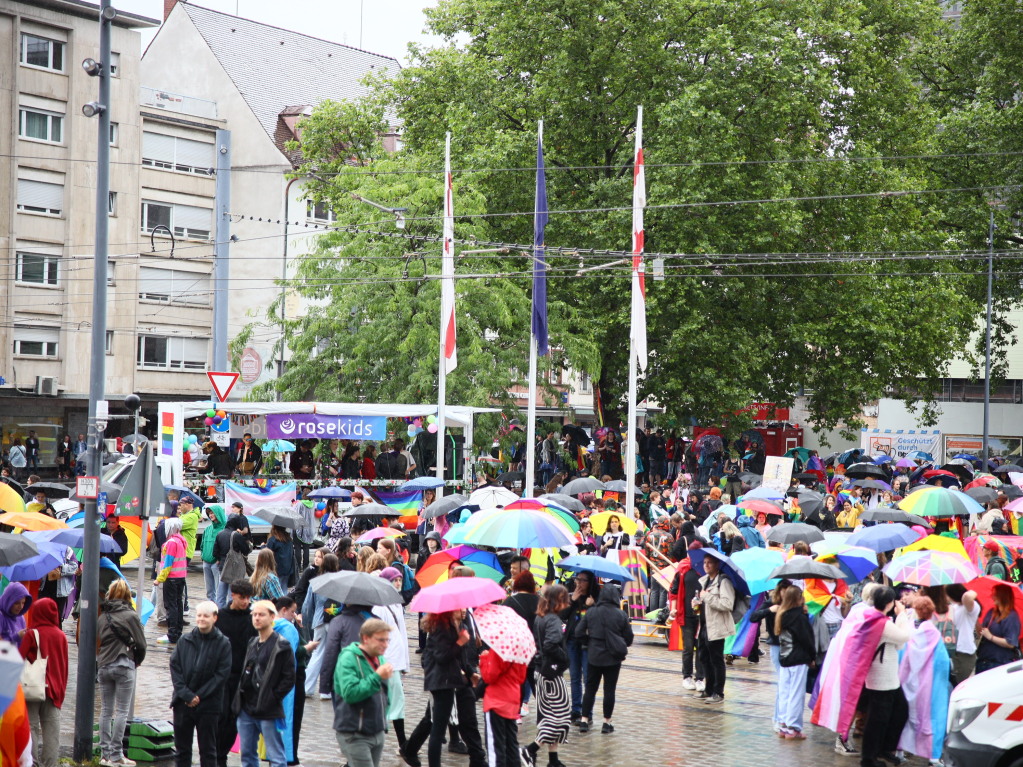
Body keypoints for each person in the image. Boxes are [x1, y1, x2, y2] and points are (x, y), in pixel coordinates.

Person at [170, 601, 232, 767]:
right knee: (182, 750)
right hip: (183, 703)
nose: (202, 619)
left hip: (209, 705)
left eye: (206, 616)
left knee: (208, 750)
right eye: (199, 615)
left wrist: (199, 696)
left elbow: (221, 675)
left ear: (215, 618)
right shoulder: (185, 640)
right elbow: (175, 667)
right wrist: (186, 694)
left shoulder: (223, 643)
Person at [421, 608, 486, 767]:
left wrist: (471, 673)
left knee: (445, 724)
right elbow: (441, 656)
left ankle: (477, 758)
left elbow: (460, 657)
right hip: (441, 682)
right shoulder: (441, 628)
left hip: (452, 680)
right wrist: (459, 642)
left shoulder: (455, 625)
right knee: (438, 728)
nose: (463, 610)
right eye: (459, 608)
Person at [234, 600, 296, 767]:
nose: (257, 618)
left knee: (276, 755)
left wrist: (273, 697)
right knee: (247, 754)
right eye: (254, 615)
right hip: (247, 707)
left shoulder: (281, 645)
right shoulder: (253, 642)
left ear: (272, 617)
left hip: (268, 708)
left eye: (261, 615)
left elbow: (289, 677)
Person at [861, 586, 913, 767]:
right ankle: (868, 758)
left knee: (899, 712)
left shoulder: (874, 618)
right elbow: (904, 636)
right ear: (889, 603)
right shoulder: (881, 622)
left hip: (888, 678)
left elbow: (897, 643)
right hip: (881, 680)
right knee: (877, 720)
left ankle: (883, 749)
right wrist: (902, 615)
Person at [97, 580, 146, 767]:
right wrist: (137, 661)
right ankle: (117, 755)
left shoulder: (103, 617)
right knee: (122, 711)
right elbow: (141, 644)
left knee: (106, 711)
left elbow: (98, 641)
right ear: (127, 595)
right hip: (124, 664)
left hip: (104, 666)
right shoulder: (131, 616)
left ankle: (104, 755)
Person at [899, 596, 952, 765]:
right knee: (934, 716)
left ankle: (899, 749)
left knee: (905, 716)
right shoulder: (934, 634)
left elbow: (902, 656)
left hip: (908, 682)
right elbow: (943, 664)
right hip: (930, 686)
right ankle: (933, 756)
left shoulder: (907, 630)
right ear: (930, 613)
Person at [522, 585, 571, 767]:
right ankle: (530, 749)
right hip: (551, 674)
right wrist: (565, 658)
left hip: (540, 671)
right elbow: (550, 645)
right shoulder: (553, 620)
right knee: (560, 717)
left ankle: (553, 759)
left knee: (548, 715)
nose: (566, 603)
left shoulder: (540, 617)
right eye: (564, 599)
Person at [333, 617, 393, 767]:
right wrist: (377, 676)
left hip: (376, 729)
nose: (385, 645)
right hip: (355, 731)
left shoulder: (380, 659)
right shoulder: (349, 658)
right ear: (366, 638)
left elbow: (384, 694)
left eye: (387, 640)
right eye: (381, 640)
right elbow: (350, 693)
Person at [575, 583, 633, 734]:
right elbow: (629, 638)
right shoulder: (621, 615)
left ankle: (584, 720)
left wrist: (589, 643)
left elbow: (579, 632)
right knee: (609, 690)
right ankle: (607, 723)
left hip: (594, 655)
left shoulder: (592, 612)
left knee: (590, 688)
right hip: (613, 658)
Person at [19, 598, 68, 767]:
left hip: (32, 688)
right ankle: (50, 764)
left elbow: (19, 658)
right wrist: (61, 690)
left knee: (31, 727)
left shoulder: (32, 634)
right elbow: (64, 666)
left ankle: (32, 763)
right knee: (52, 732)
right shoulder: (61, 636)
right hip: (54, 691)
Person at [215, 580, 257, 767]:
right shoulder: (221, 617)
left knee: (234, 720)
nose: (246, 601)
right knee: (221, 717)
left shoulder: (252, 618)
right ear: (233, 595)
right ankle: (218, 757)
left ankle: (222, 753)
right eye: (242, 598)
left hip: (243, 677)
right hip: (223, 677)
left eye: (248, 598)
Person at [374, 568, 410, 751]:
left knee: (394, 702)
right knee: (395, 702)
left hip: (396, 661)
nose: (398, 583)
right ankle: (403, 744)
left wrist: (405, 664)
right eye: (394, 580)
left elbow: (402, 636)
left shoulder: (396, 603)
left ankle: (402, 743)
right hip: (388, 661)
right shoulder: (380, 606)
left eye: (399, 580)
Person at [774, 585, 815, 739]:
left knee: (785, 692)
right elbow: (807, 640)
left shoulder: (782, 615)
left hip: (785, 658)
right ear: (799, 598)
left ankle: (783, 724)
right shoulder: (799, 618)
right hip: (798, 658)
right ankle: (793, 727)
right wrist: (812, 656)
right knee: (796, 693)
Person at [693, 553, 735, 704]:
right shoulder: (705, 581)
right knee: (704, 658)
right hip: (704, 625)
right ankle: (708, 689)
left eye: (710, 562)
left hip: (716, 626)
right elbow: (705, 602)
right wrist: (697, 603)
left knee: (716, 660)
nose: (706, 565)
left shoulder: (723, 581)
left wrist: (707, 597)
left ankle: (718, 692)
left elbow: (727, 604)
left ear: (717, 565)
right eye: (704, 562)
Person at [479, 637, 527, 767]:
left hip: (496, 700)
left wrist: (484, 659)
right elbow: (522, 677)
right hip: (512, 700)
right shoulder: (521, 647)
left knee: (496, 747)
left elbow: (489, 676)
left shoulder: (500, 645)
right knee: (511, 745)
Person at [300, 550, 339, 697]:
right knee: (333, 655)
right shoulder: (340, 581)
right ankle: (327, 691)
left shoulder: (315, 582)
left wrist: (307, 621)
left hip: (319, 621)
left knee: (317, 653)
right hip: (335, 620)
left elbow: (307, 605)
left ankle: (307, 688)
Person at [668, 546, 705, 691]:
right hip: (687, 614)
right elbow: (674, 590)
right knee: (688, 647)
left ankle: (700, 678)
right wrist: (673, 609)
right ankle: (687, 676)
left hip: (702, 615)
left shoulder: (705, 568)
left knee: (701, 647)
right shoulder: (683, 568)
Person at [505, 571, 539, 717]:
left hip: (517, 649)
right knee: (536, 683)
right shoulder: (540, 601)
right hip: (535, 648)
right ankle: (544, 715)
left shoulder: (510, 602)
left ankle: (515, 713)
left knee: (517, 683)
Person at [976, 582, 1021, 674]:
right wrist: (975, 620)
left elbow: (1010, 643)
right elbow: (982, 632)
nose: (992, 596)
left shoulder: (1012, 617)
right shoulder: (991, 613)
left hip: (999, 663)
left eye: (995, 594)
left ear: (1002, 596)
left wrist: (991, 637)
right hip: (983, 661)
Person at [156, 516, 188, 645]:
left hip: (171, 578)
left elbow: (168, 562)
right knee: (178, 604)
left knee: (171, 606)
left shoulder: (171, 543)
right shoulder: (181, 541)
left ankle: (172, 634)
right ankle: (177, 632)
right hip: (180, 577)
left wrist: (159, 579)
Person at [214, 516, 252, 608]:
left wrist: (221, 558)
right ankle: (231, 611)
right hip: (233, 567)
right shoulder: (236, 535)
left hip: (222, 566)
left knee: (221, 592)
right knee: (232, 591)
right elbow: (246, 550)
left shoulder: (220, 534)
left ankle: (220, 613)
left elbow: (215, 552)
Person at [946, 583, 980, 683]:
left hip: (965, 652)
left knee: (963, 683)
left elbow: (967, 597)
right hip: (953, 650)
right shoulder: (954, 607)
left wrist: (974, 591)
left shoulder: (970, 607)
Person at [201, 504, 228, 603]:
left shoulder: (225, 528)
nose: (211, 515)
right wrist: (203, 557)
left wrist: (219, 559)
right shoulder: (207, 529)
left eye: (213, 513)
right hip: (206, 562)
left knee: (219, 587)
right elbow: (202, 544)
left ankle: (219, 606)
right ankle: (210, 605)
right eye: (209, 513)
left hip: (217, 563)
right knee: (209, 589)